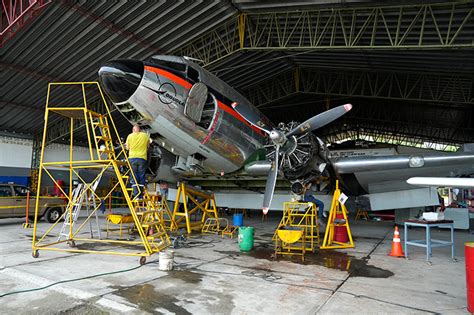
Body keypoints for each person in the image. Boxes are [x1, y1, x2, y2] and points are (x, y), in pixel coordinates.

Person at [125, 125, 150, 198]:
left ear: (133, 130)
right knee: (141, 175)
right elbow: (148, 146)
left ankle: (136, 194)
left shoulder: (130, 136)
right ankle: (141, 195)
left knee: (134, 175)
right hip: (142, 158)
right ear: (140, 130)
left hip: (132, 158)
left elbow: (127, 148)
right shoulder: (145, 136)